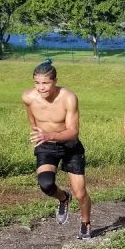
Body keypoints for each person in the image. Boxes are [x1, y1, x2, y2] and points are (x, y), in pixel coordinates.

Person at [22, 59, 93, 239]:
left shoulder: (68, 97)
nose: (41, 87)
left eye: (45, 83)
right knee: (46, 184)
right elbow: (33, 121)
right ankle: (63, 198)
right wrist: (41, 137)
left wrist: (50, 135)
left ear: (55, 81)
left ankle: (85, 223)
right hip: (46, 145)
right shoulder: (28, 97)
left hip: (70, 146)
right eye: (37, 83)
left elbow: (73, 132)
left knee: (80, 193)